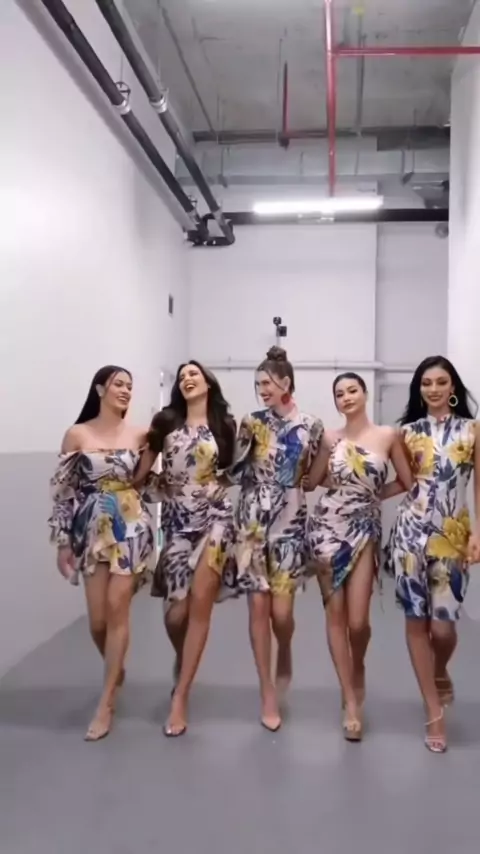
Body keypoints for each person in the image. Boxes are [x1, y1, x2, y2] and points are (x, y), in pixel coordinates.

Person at [305, 372, 412, 741]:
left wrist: (371, 497)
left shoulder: (387, 436)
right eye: (340, 393)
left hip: (365, 529)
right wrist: (315, 451)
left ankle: (358, 664)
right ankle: (350, 699)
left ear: (364, 394)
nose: (346, 397)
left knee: (358, 622)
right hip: (326, 528)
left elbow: (407, 481)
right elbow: (313, 481)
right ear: (336, 402)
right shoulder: (330, 437)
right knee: (335, 616)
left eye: (352, 390)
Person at [49, 366, 154, 741]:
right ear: (100, 389)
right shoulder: (78, 434)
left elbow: (147, 482)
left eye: (130, 386)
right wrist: (63, 541)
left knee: (117, 606)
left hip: (131, 525)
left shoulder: (140, 434)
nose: (126, 390)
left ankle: (106, 703)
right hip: (91, 528)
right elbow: (64, 492)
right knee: (97, 621)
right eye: (118, 384)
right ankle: (115, 669)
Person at [135, 361, 237, 737]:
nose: (187, 379)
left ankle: (181, 695)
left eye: (193, 374)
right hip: (177, 523)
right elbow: (141, 473)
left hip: (217, 522)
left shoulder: (225, 425)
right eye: (182, 377)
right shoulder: (166, 423)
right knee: (176, 615)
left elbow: (231, 470)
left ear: (208, 382)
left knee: (200, 605)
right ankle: (184, 658)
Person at [386, 355, 480, 753]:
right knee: (415, 622)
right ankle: (433, 712)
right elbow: (402, 482)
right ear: (419, 389)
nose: (434, 389)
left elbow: (478, 486)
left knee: (443, 628)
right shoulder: (405, 433)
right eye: (426, 383)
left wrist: (478, 533)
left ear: (453, 386)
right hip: (409, 536)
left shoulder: (472, 430)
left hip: (451, 537)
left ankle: (439, 669)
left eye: (441, 382)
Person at [228, 346, 324, 732]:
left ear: (286, 382)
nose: (262, 390)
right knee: (257, 610)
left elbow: (314, 475)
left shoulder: (311, 425)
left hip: (290, 525)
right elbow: (235, 471)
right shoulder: (250, 422)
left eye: (267, 383)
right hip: (251, 526)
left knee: (282, 616)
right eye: (258, 384)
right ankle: (266, 691)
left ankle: (285, 646)